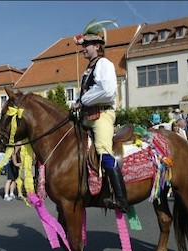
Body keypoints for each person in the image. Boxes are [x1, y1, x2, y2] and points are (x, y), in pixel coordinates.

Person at [73, 19, 128, 213]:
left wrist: (83, 100)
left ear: (97, 46)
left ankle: (121, 198)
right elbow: (83, 95)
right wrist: (76, 102)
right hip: (87, 116)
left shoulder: (104, 63)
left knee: (103, 148)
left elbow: (108, 90)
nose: (84, 50)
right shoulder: (87, 70)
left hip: (102, 114)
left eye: (86, 46)